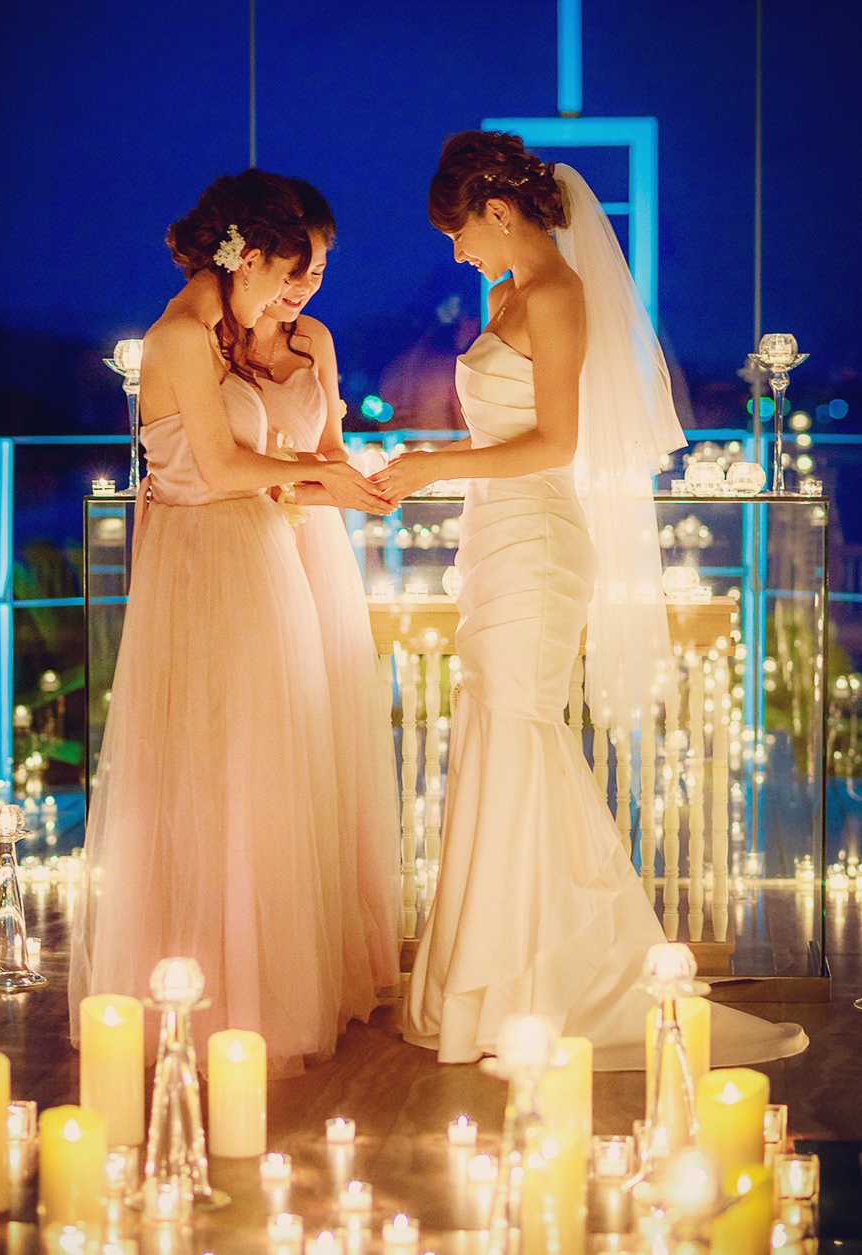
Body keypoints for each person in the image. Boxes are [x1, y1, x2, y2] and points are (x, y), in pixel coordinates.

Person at [373, 131, 807, 1069]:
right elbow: (505, 428)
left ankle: (544, 979)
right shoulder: (506, 296)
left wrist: (433, 465)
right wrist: (428, 469)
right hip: (494, 538)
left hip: (538, 541)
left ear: (498, 211)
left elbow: (555, 444)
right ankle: (501, 974)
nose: (458, 252)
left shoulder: (558, 295)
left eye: (459, 232)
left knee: (521, 731)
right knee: (496, 732)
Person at [69, 169, 393, 1073]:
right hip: (206, 560)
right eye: (286, 274)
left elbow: (270, 459)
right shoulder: (179, 338)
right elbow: (213, 469)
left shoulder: (231, 334)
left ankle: (268, 977)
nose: (291, 296)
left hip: (257, 548)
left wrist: (339, 479)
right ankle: (213, 986)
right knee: (211, 771)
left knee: (266, 769)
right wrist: (321, 478)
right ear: (246, 260)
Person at [250, 178, 401, 997]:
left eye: (319, 269)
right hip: (248, 547)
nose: (305, 285)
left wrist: (358, 479)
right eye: (295, 268)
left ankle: (328, 951)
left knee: (324, 735)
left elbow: (332, 446)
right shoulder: (219, 338)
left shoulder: (316, 341)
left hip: (314, 547)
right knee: (266, 739)